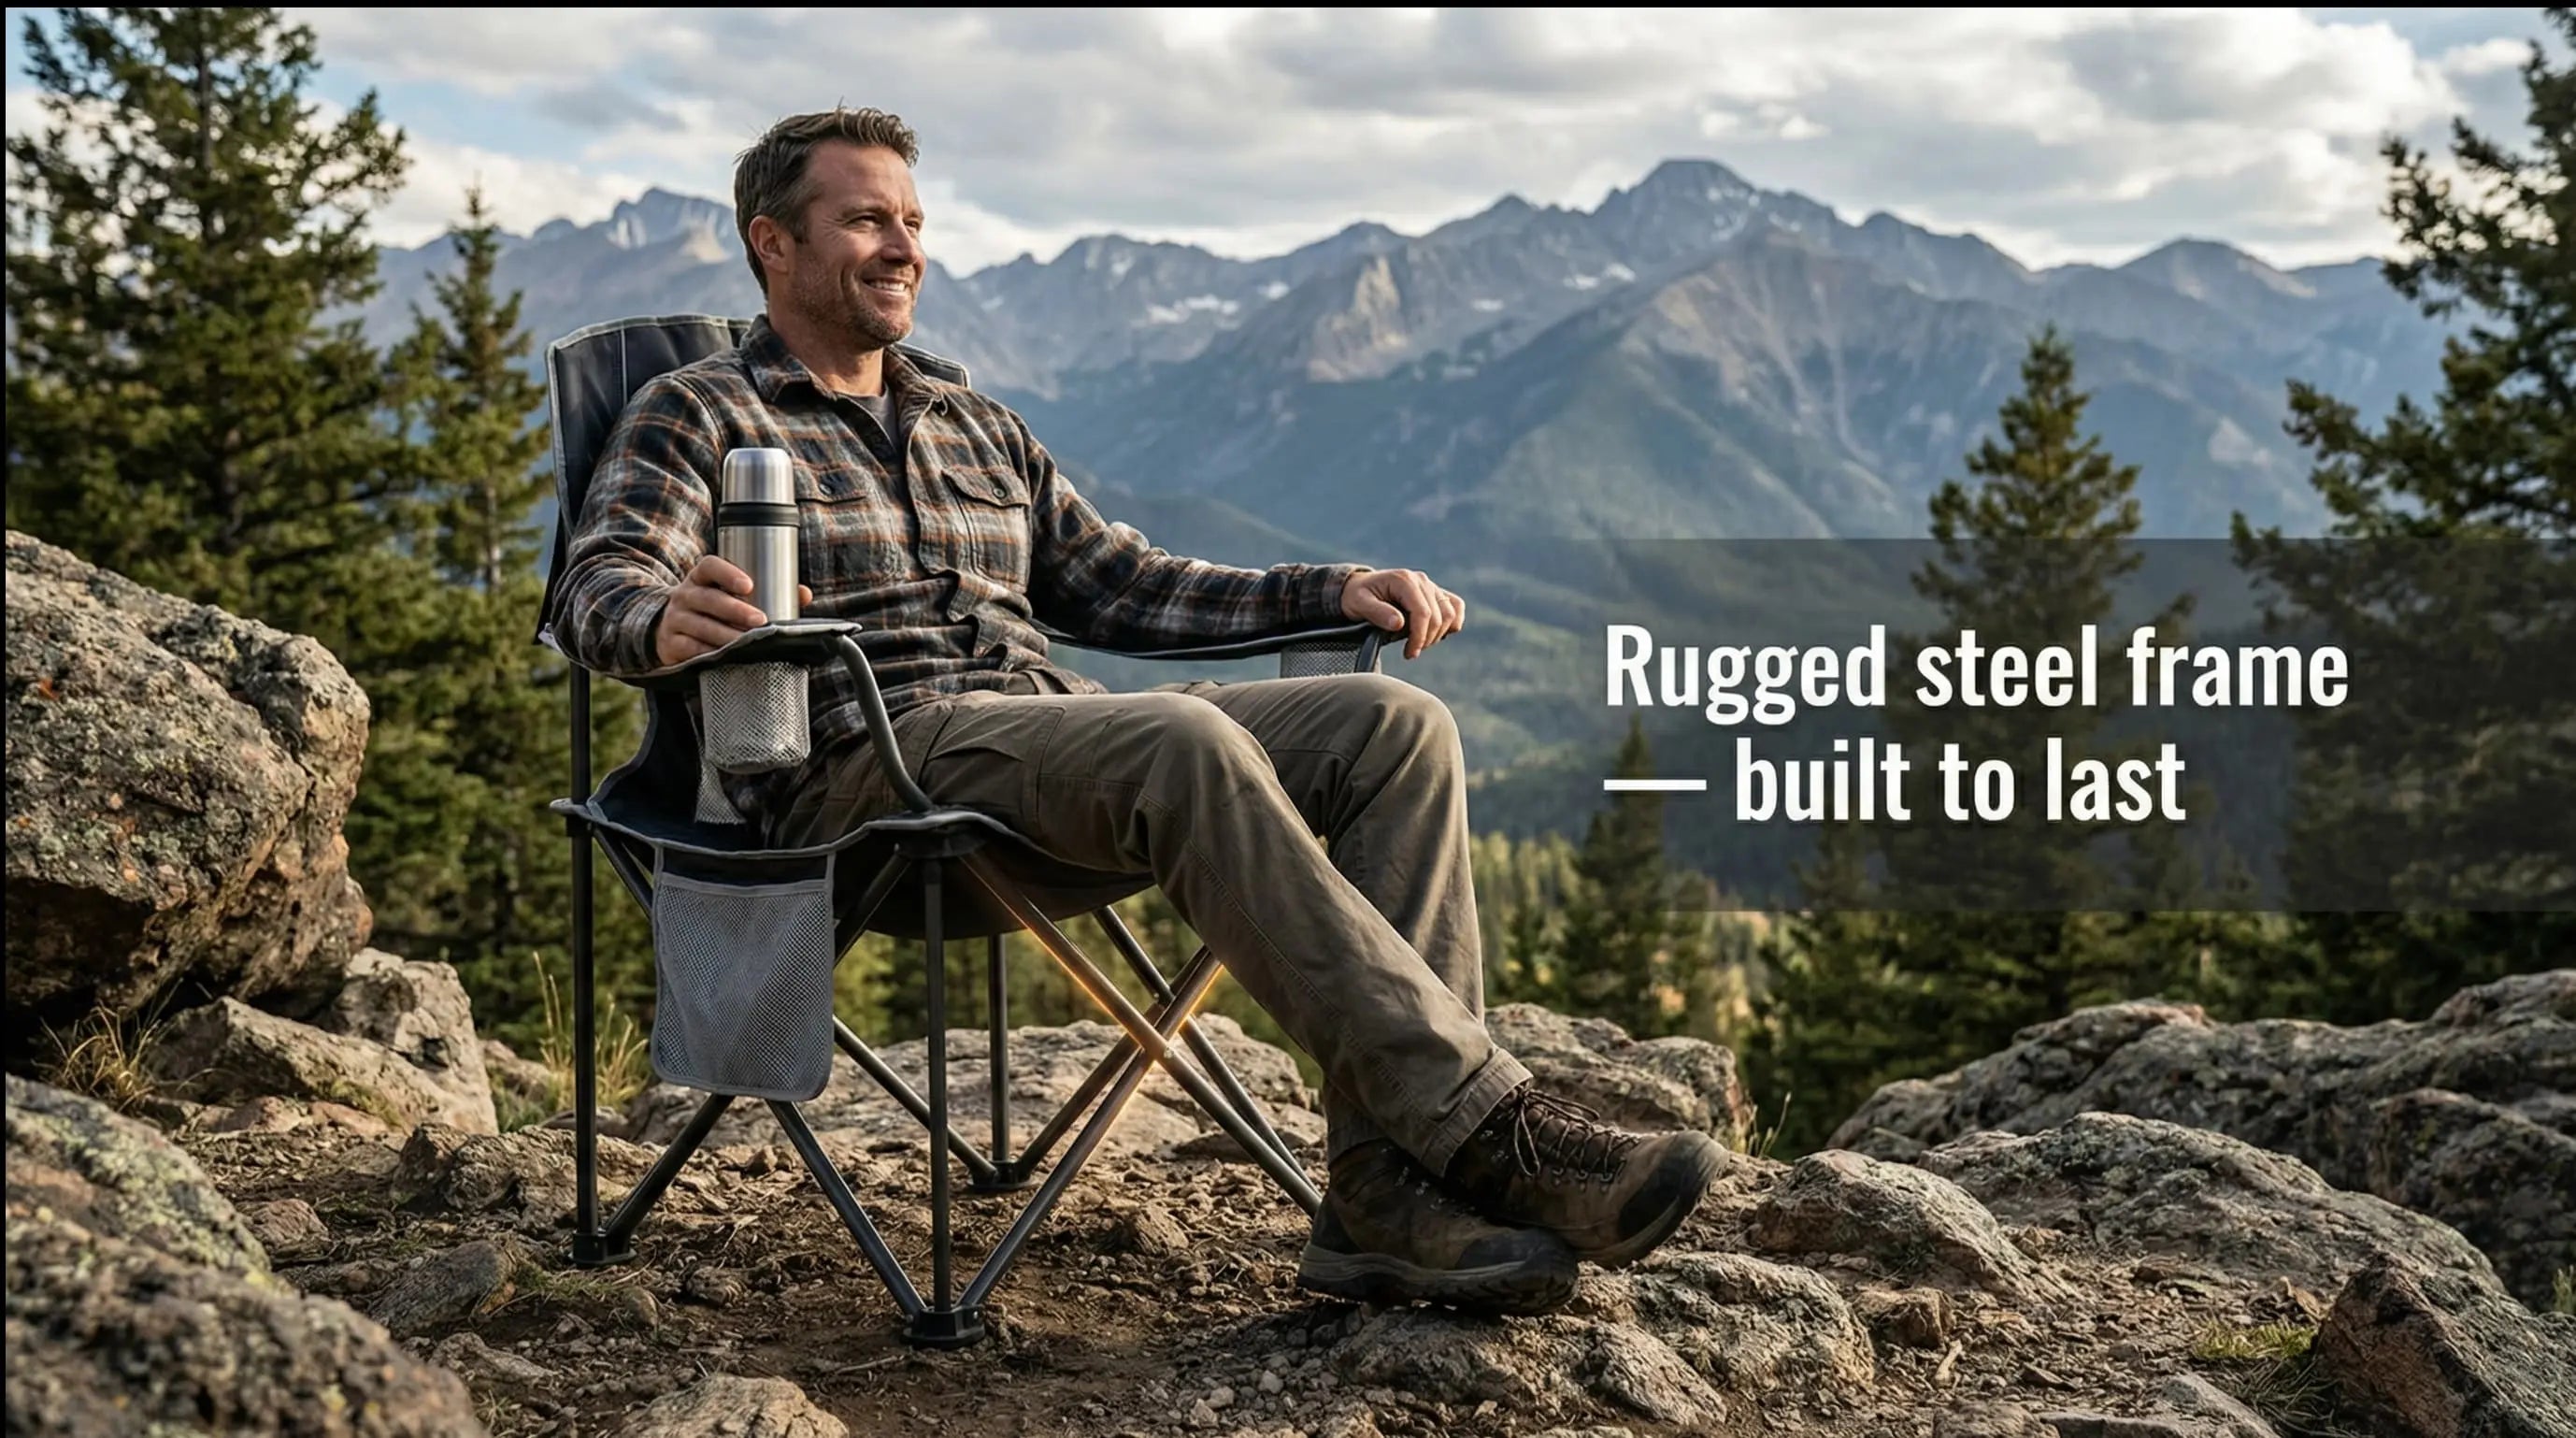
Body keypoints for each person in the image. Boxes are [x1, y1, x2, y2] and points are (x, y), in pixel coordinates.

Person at [555, 107, 1724, 1316]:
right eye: (864, 219)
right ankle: (1497, 1129)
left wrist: (1329, 590)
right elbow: (600, 584)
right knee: (1184, 736)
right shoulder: (700, 414)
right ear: (774, 245)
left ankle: (1382, 1196)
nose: (902, 246)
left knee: (1397, 734)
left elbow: (1123, 582)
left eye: (911, 220)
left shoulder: (971, 421)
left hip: (1041, 752)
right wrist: (659, 620)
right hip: (861, 777)